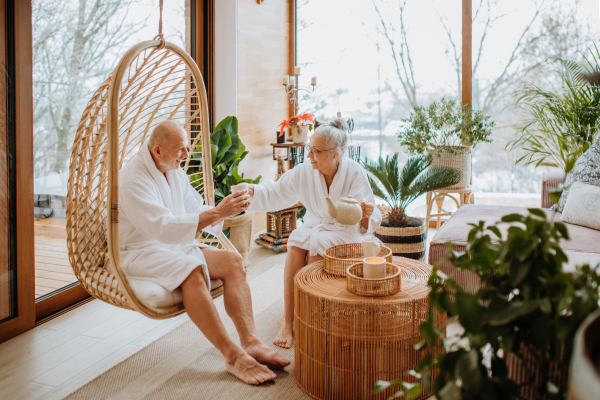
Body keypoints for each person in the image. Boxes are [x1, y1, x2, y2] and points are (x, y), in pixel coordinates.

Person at [118, 121, 289, 385]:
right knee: (193, 271)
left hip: (174, 245)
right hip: (143, 250)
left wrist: (226, 209)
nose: (186, 156)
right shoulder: (132, 179)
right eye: (180, 150)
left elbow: (195, 208)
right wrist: (217, 212)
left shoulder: (174, 172)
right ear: (158, 150)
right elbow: (162, 228)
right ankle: (232, 355)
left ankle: (252, 342)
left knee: (233, 261)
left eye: (186, 149)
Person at [247, 118, 382, 349]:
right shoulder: (304, 172)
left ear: (335, 155)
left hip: (344, 233)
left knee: (317, 247)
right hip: (314, 227)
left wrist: (367, 214)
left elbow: (368, 217)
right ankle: (287, 321)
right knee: (296, 243)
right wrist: (251, 191)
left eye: (315, 151)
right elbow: (276, 192)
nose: (309, 155)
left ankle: (315, 319)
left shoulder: (354, 173)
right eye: (309, 149)